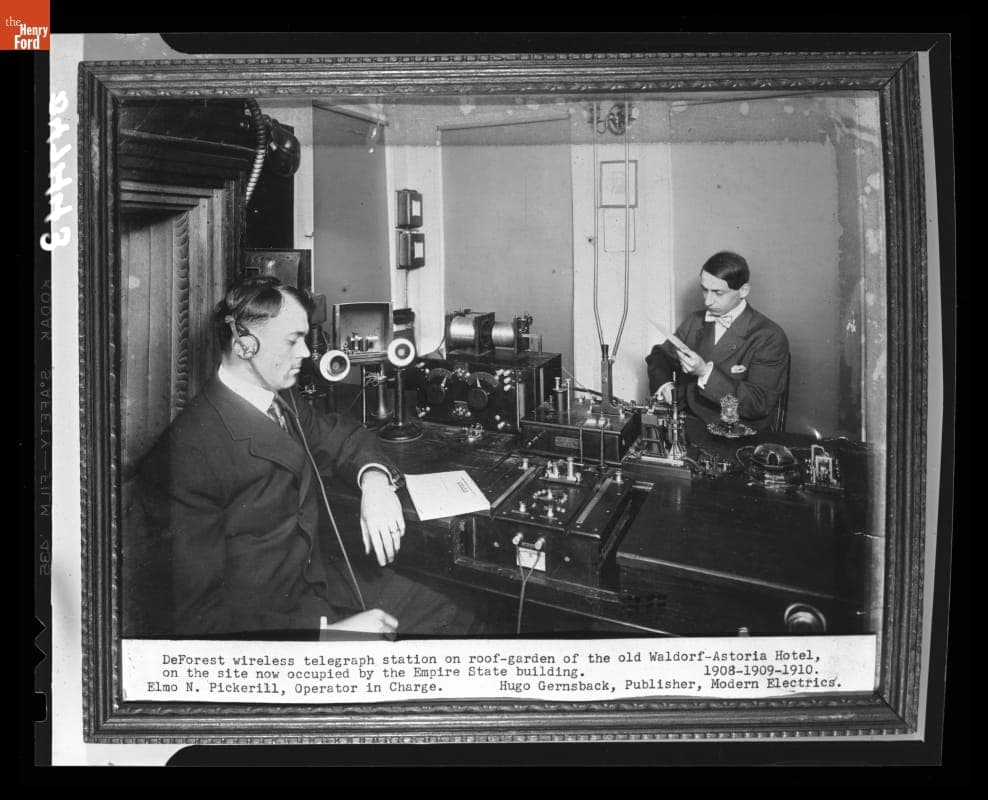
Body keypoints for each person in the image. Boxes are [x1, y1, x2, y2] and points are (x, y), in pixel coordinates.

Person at [138, 276, 481, 639]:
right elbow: (195, 623)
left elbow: (341, 436)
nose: (305, 353)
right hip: (272, 627)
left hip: (321, 584)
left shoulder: (278, 398)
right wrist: (327, 639)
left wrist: (376, 482)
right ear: (243, 345)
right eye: (292, 341)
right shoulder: (186, 456)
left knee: (460, 617)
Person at [646, 251, 789, 431]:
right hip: (687, 424)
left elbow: (758, 403)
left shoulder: (769, 336)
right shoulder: (695, 321)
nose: (708, 301)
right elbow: (660, 356)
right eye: (704, 290)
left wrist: (705, 372)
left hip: (735, 432)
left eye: (718, 293)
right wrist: (665, 384)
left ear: (743, 291)